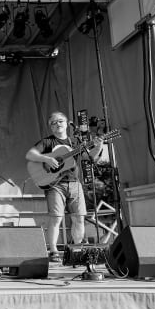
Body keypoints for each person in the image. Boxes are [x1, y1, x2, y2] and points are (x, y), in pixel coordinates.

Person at [25, 111, 103, 262]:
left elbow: (88, 157)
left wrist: (98, 147)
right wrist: (46, 159)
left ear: (67, 123)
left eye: (60, 121)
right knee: (56, 218)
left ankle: (77, 250)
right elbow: (30, 154)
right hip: (55, 184)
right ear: (50, 127)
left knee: (79, 218)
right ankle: (53, 250)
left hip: (74, 182)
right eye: (53, 123)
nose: (57, 124)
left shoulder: (76, 142)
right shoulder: (47, 142)